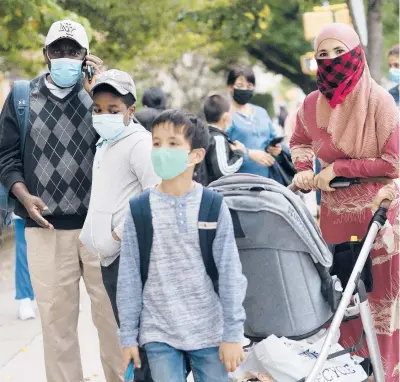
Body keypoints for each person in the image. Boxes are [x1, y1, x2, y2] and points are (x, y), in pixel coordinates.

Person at [0, 20, 123, 382]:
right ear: (46, 55)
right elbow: (6, 156)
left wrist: (99, 91)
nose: (65, 57)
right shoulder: (22, 96)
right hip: (46, 230)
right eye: (58, 51)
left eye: (74, 51)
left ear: (86, 56)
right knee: (58, 330)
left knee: (113, 322)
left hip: (101, 230)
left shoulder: (101, 97)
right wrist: (23, 194)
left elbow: (127, 144)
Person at [290, 23, 399, 381]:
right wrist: (304, 170)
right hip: (334, 220)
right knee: (344, 303)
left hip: (378, 219)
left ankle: (386, 374)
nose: (332, 61)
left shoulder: (380, 103)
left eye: (339, 52)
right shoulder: (310, 105)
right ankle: (351, 373)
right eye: (323, 55)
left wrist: (339, 166)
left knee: (381, 302)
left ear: (356, 53)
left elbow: (394, 162)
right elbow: (300, 142)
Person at [117, 110, 247, 382]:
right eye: (156, 143)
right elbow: (128, 277)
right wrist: (128, 337)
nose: (162, 150)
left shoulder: (212, 205)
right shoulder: (139, 209)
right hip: (159, 330)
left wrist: (233, 334)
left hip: (210, 328)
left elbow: (230, 273)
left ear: (196, 155)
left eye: (173, 143)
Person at [79, 69, 160, 381]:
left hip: (130, 258)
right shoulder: (107, 143)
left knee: (141, 342)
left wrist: (115, 235)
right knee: (130, 339)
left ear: (131, 111)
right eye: (98, 110)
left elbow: (155, 192)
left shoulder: (138, 143)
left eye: (113, 110)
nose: (103, 116)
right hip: (111, 260)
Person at [226, 67, 282, 179]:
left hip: (266, 180)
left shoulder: (261, 112)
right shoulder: (225, 115)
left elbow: (272, 137)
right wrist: (249, 154)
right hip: (237, 182)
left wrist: (275, 148)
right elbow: (222, 145)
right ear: (230, 88)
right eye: (240, 85)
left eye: (249, 86)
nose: (245, 89)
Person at [195, 94, 245, 185]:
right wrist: (239, 153)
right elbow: (224, 171)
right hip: (214, 192)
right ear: (226, 117)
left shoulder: (205, 134)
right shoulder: (218, 139)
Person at [13, 213, 36, 320]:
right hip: (22, 209)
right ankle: (25, 299)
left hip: (55, 209)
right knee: (23, 254)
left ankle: (66, 295)